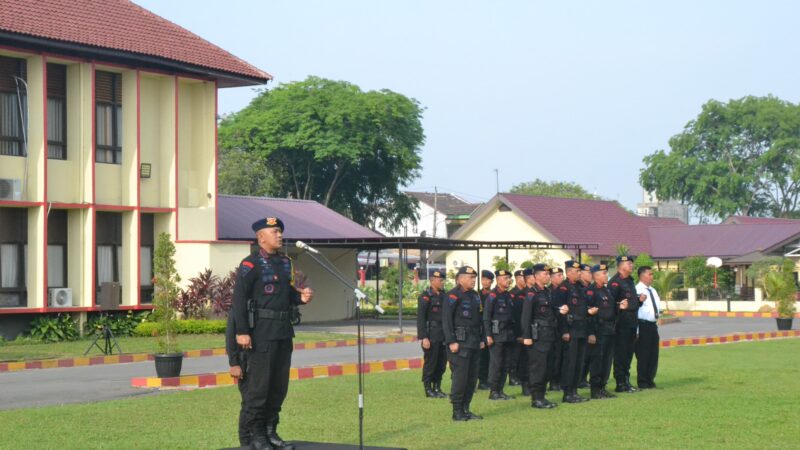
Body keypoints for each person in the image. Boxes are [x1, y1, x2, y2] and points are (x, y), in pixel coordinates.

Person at [232, 217, 314, 450]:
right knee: (260, 389)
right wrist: (241, 332)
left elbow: (286, 295)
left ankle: (270, 431)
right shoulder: (250, 264)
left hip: (282, 332)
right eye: (275, 231)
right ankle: (256, 434)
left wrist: (301, 298)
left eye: (280, 231)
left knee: (278, 388)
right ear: (261, 237)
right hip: (261, 335)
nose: (279, 235)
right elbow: (239, 299)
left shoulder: (285, 263)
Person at [522, 263, 569, 409]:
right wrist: (527, 336)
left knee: (548, 368)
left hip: (549, 335)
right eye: (545, 274)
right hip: (538, 337)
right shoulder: (532, 293)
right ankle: (536, 398)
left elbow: (549, 313)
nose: (547, 276)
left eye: (549, 274)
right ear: (536, 276)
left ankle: (542, 396)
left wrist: (560, 311)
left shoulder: (547, 292)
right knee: (538, 368)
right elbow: (525, 317)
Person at [443, 266, 486, 421]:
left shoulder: (475, 295)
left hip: (474, 341)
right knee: (460, 378)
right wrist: (452, 341)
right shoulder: (452, 296)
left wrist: (482, 339)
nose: (473, 280)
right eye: (470, 277)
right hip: (460, 344)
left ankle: (466, 408)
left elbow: (480, 319)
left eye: (474, 277)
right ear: (460, 278)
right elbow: (447, 321)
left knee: (471, 378)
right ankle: (457, 411)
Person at [556, 260, 590, 403]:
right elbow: (560, 311)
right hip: (570, 330)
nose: (579, 273)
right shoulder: (563, 288)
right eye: (576, 271)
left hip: (581, 329)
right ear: (569, 272)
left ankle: (575, 390)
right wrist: (564, 331)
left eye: (579, 271)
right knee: (570, 362)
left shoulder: (580, 287)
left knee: (579, 362)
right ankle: (568, 392)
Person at [608, 255, 642, 393]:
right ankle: (620, 383)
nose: (631, 266)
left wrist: (639, 301)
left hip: (631, 323)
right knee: (621, 354)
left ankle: (626, 381)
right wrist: (619, 307)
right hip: (621, 324)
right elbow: (610, 304)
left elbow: (631, 303)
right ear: (621, 265)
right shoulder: (615, 282)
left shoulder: (629, 281)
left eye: (631, 264)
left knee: (628, 354)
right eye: (629, 263)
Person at [483, 269, 516, 400]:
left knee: (506, 363)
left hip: (508, 334)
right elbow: (486, 317)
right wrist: (488, 335)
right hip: (497, 335)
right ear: (498, 280)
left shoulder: (507, 295)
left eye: (509, 278)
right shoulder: (493, 295)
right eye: (505, 278)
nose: (508, 281)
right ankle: (494, 391)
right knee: (496, 364)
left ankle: (500, 390)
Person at [585, 263, 617, 399]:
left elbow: (611, 310)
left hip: (609, 329)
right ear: (596, 275)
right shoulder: (590, 291)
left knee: (607, 360)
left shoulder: (607, 291)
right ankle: (595, 389)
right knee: (597, 360)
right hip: (598, 330)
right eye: (604, 273)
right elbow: (587, 314)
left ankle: (603, 387)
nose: (606, 276)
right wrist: (591, 332)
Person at [417, 270, 448, 398]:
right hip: (431, 335)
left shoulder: (444, 295)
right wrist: (424, 337)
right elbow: (421, 319)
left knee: (441, 363)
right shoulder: (425, 297)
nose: (442, 283)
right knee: (431, 363)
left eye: (443, 280)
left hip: (443, 334)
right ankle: (428, 388)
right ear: (432, 280)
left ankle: (437, 387)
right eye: (440, 280)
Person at [226, 312, 250, 447]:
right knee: (248, 403)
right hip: (244, 361)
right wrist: (234, 363)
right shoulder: (240, 306)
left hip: (261, 361)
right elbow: (230, 335)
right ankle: (246, 443)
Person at [635, 266, 662, 389]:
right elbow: (635, 311)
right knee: (643, 354)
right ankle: (642, 381)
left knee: (653, 354)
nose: (652, 276)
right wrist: (637, 330)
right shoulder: (637, 289)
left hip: (652, 325)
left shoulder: (653, 290)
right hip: (642, 325)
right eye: (650, 274)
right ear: (642, 276)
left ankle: (651, 379)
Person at [507, 269, 527, 388]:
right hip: (516, 328)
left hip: (525, 328)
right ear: (516, 279)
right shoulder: (513, 293)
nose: (523, 280)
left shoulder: (527, 292)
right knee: (515, 354)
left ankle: (520, 375)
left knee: (523, 355)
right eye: (521, 278)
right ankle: (513, 377)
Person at [547, 266, 565, 392]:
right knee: (554, 356)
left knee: (563, 356)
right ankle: (553, 381)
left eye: (561, 275)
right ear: (552, 278)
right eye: (558, 275)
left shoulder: (564, 290)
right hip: (552, 327)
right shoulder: (548, 292)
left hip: (563, 326)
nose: (561, 277)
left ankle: (560, 380)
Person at [477, 270, 494, 390]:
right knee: (481, 357)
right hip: (481, 328)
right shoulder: (477, 294)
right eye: (483, 280)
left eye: (487, 280)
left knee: (490, 357)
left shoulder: (493, 294)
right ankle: (482, 380)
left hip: (492, 328)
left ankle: (488, 379)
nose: (485, 282)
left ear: (491, 281)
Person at [578, 263, 593, 389]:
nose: (591, 275)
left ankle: (583, 378)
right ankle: (579, 379)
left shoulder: (591, 288)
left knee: (588, 355)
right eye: (588, 272)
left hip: (590, 325)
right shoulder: (578, 287)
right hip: (580, 326)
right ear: (581, 273)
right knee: (580, 356)